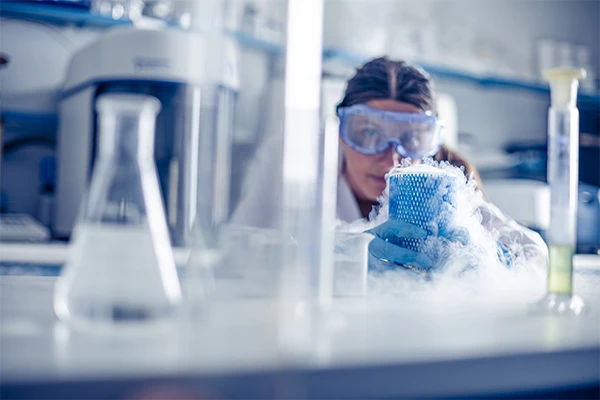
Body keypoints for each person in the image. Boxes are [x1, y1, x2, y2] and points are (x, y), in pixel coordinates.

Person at [232, 56, 548, 271]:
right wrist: (341, 252)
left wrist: (486, 255)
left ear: (431, 143)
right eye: (369, 133)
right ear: (341, 132)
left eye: (411, 138)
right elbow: (234, 250)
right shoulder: (298, 162)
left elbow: (536, 256)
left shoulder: (445, 184)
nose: (392, 158)